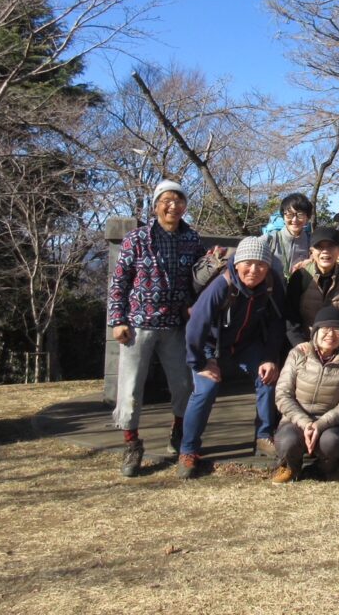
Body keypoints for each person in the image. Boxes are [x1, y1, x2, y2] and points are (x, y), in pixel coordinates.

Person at [107, 179, 203, 477]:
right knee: (130, 389)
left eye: (179, 201)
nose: (173, 206)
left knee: (183, 386)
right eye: (167, 201)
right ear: (156, 205)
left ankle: (178, 432)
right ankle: (132, 443)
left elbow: (200, 279)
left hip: (176, 325)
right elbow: (119, 281)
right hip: (138, 324)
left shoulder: (192, 239)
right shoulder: (137, 238)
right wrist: (118, 320)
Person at [178, 237, 285, 479]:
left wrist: (270, 357)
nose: (254, 270)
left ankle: (263, 436)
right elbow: (195, 327)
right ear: (236, 263)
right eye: (248, 263)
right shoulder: (221, 285)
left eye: (261, 264)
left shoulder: (271, 283)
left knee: (267, 379)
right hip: (210, 346)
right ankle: (188, 450)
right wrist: (200, 364)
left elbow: (277, 322)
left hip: (247, 344)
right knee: (205, 390)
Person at [272, 307, 339, 483]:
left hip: (329, 422)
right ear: (315, 331)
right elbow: (282, 394)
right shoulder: (298, 354)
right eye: (325, 329)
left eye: (337, 329)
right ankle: (291, 466)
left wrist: (320, 424)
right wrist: (305, 423)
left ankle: (329, 466)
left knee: (332, 443)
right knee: (286, 441)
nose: (331, 334)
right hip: (295, 419)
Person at [284, 226, 339, 347]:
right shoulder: (300, 276)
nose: (325, 251)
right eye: (319, 247)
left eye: (331, 246)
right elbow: (291, 317)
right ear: (311, 251)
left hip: (336, 344)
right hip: (304, 343)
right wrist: (299, 344)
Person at [264, 192, 313, 279]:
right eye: (289, 214)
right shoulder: (269, 239)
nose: (294, 220)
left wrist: (312, 261)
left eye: (300, 214)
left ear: (307, 217)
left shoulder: (312, 242)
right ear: (283, 216)